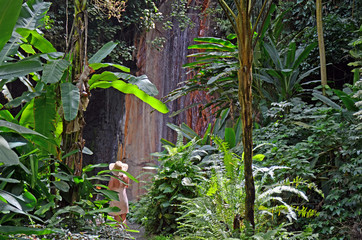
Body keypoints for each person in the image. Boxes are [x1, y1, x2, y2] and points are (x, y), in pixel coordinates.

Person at [108, 161, 129, 227]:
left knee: (117, 219)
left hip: (116, 197)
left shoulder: (113, 178)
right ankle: (125, 233)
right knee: (123, 218)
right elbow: (127, 186)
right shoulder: (125, 177)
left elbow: (109, 189)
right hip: (123, 197)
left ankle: (118, 234)